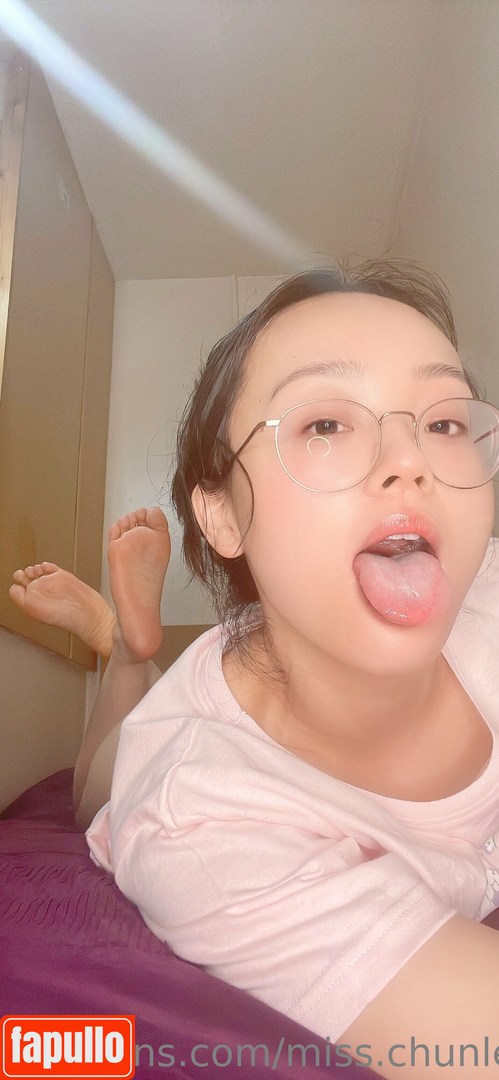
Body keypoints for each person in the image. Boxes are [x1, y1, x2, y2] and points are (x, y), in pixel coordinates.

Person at [11, 260, 499, 1077]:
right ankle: (124, 646)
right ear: (221, 514)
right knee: (95, 789)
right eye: (325, 423)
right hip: (190, 730)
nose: (408, 458)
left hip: (266, 642)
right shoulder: (200, 820)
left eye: (444, 421)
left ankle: (129, 647)